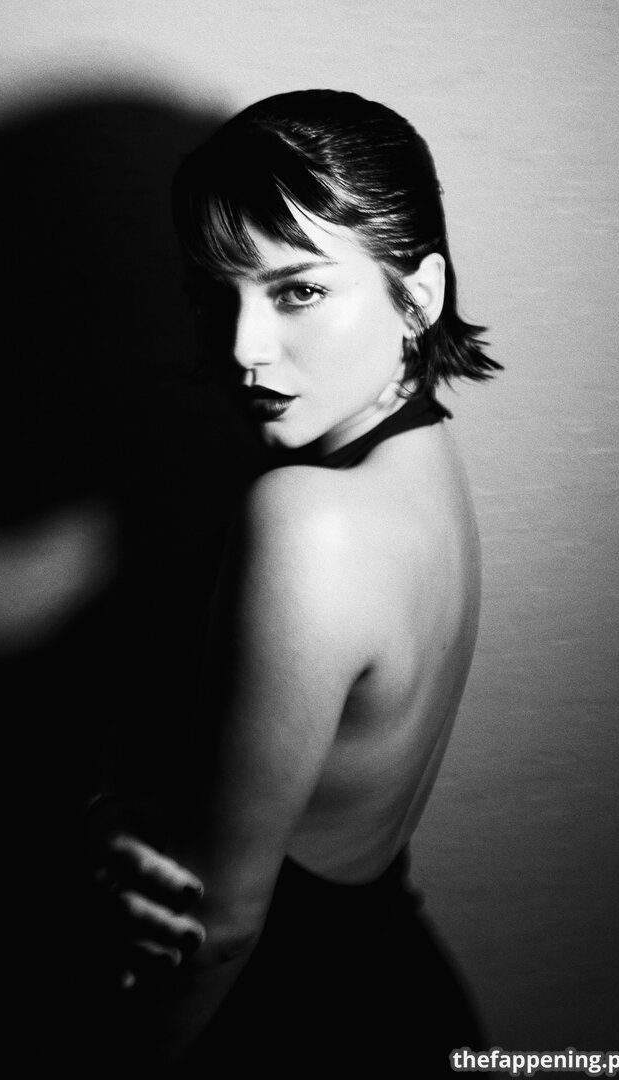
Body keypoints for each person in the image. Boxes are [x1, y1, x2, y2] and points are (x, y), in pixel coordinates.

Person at [91, 89, 501, 1076]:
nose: (243, 348)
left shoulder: (312, 522)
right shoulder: (420, 467)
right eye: (218, 292)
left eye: (298, 290)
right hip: (385, 990)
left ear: (418, 293)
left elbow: (222, 924)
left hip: (284, 1023)